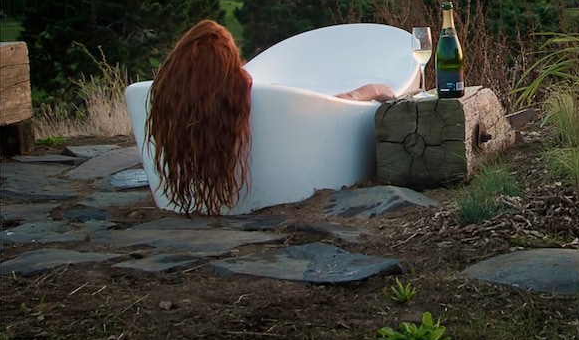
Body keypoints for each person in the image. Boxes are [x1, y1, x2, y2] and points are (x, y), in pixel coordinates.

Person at [145, 20, 395, 215]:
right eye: (234, 62)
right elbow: (320, 106)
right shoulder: (243, 95)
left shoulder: (165, 98)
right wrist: (370, 90)